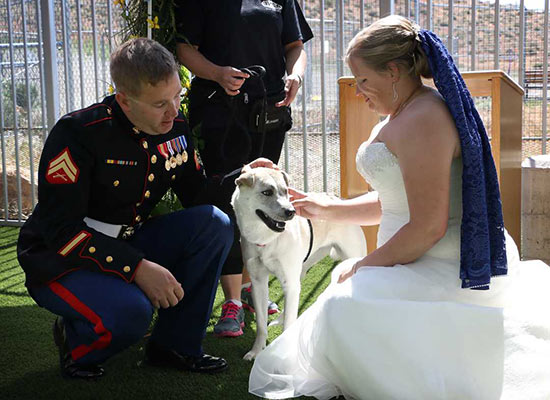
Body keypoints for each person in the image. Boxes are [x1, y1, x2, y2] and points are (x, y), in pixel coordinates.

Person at [248, 15, 550, 400]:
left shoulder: (425, 117)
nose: (359, 92)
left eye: (363, 81)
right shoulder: (403, 112)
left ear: (393, 71)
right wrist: (325, 210)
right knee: (343, 300)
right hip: (415, 257)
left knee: (342, 305)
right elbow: (396, 202)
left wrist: (363, 266)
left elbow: (427, 227)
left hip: (442, 264)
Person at [16, 38, 233, 379]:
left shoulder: (173, 126)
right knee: (134, 313)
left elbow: (199, 194)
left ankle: (175, 345)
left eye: (178, 96)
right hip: (59, 258)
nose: (174, 111)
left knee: (212, 224)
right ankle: (74, 343)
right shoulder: (79, 133)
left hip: (128, 241)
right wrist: (137, 268)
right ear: (124, 100)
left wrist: (246, 177)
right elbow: (62, 233)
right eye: (160, 103)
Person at [175, 0, 314, 338]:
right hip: (221, 114)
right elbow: (183, 49)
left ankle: (255, 287)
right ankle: (233, 302)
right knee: (228, 204)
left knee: (261, 205)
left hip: (270, 113)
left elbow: (295, 46)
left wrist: (295, 74)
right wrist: (217, 74)